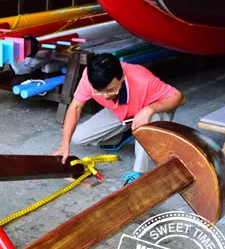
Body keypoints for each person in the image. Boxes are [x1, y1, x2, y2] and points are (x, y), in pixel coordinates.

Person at [52, 53, 185, 184]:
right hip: (122, 113)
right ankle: (124, 135)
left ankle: (139, 174)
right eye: (99, 92)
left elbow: (179, 97)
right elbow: (75, 107)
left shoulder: (142, 78)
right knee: (78, 137)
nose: (104, 96)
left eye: (110, 90)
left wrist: (149, 109)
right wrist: (65, 144)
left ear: (121, 78)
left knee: (149, 119)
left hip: (153, 112)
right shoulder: (90, 76)